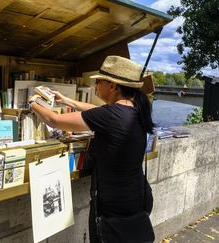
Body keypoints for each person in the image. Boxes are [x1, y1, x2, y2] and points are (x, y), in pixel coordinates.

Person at [29, 56, 154, 242]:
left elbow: (54, 121)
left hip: (114, 210)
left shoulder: (110, 116)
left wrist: (33, 104)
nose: (95, 85)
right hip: (136, 198)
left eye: (99, 81)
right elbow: (95, 111)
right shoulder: (136, 109)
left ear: (113, 86)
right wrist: (67, 101)